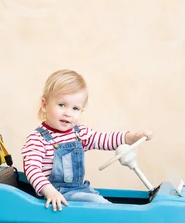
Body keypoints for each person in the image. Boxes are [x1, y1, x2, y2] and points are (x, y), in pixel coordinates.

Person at [21, 69, 153, 211]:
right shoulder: (38, 139)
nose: (68, 113)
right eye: (61, 105)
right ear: (44, 104)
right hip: (55, 197)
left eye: (75, 108)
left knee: (102, 201)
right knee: (103, 207)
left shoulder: (80, 133)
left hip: (78, 190)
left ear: (82, 110)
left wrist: (131, 137)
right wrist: (49, 191)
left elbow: (104, 139)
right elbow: (32, 169)